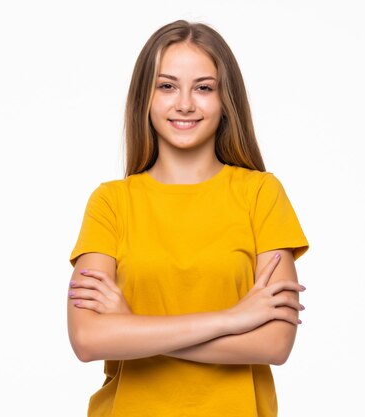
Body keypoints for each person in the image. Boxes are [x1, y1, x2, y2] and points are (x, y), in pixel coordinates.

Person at [67, 19, 309, 417]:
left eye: (203, 87)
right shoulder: (111, 202)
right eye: (167, 86)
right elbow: (88, 339)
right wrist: (233, 319)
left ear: (224, 98)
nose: (184, 103)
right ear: (144, 96)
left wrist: (134, 328)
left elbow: (274, 344)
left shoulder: (261, 195)